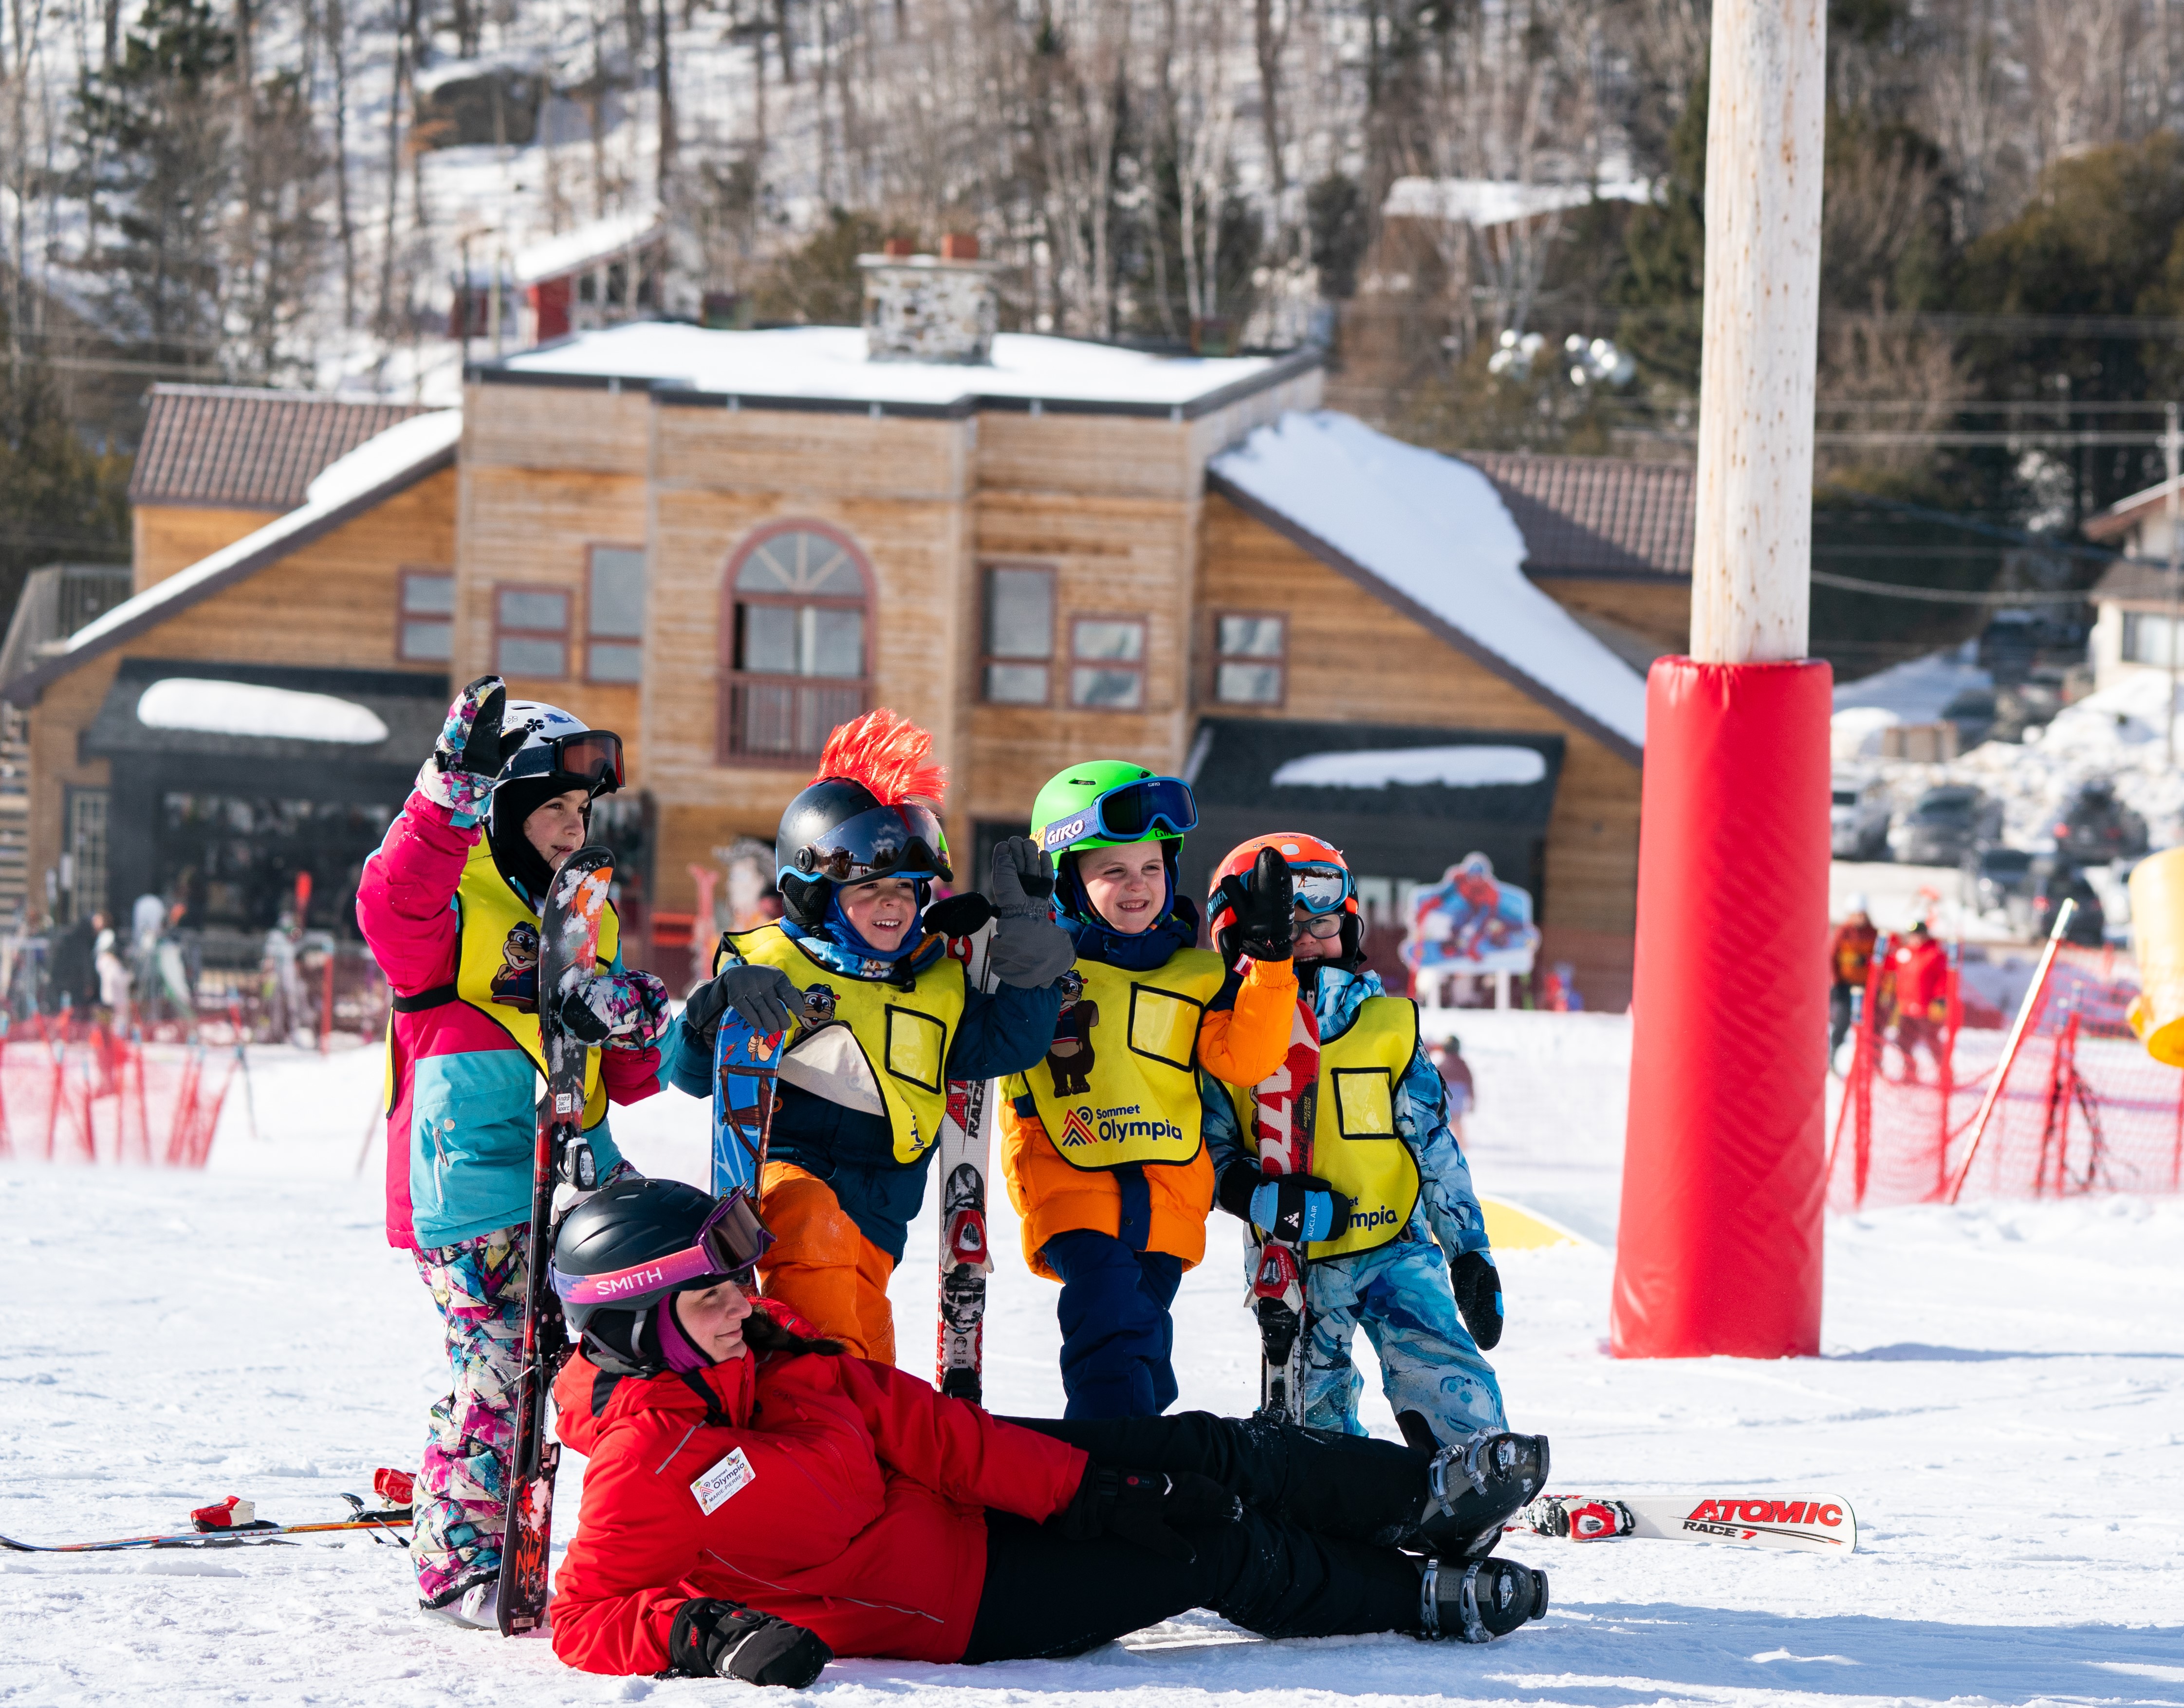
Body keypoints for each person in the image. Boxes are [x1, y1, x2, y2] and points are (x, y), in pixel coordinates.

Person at [543, 1178, 1554, 1679]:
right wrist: (705, 1633)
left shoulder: (765, 1352)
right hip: (964, 1599)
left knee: (1204, 1446)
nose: (741, 1301)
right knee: (1211, 1544)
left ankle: (1424, 1498)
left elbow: (932, 1429)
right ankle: (1420, 1594)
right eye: (711, 1293)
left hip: (966, 1494)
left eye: (737, 1279)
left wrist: (1084, 1490)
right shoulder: (646, 1466)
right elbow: (582, 1615)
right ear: (637, 1324)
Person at [355, 675, 674, 1628]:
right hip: (471, 1187)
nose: (573, 827)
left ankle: (651, 1524)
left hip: (579, 1175)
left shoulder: (585, 912)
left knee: (651, 1332)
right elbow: (388, 902)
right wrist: (444, 796)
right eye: (552, 809)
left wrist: (635, 1020)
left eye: (583, 809)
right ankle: (459, 1557)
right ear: (500, 810)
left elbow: (628, 1078)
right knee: (503, 1366)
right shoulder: (451, 899)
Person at [670, 709, 1073, 1363]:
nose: (894, 903)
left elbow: (1012, 1045)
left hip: (880, 1219)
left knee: (865, 1362)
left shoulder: (935, 984)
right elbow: (692, 1077)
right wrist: (711, 1012)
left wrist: (1027, 941)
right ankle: (825, 1407)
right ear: (814, 894)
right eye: (871, 887)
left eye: (908, 890)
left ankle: (847, 1420)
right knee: (824, 1316)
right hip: (788, 1186)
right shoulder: (771, 963)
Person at [999, 763, 1300, 1419]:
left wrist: (1270, 964)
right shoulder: (1033, 966)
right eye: (1113, 870)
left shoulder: (1198, 975)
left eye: (1152, 868)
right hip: (1069, 1180)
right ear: (1065, 881)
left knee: (1141, 1333)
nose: (1137, 885)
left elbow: (1249, 1060)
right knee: (1108, 1312)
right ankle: (1117, 1447)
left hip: (1168, 1193)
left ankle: (1135, 1442)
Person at [1203, 834, 1506, 1451]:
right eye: (1285, 926)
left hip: (1394, 1244)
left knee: (1438, 1364)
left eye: (1322, 921)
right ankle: (1332, 1483)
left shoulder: (1387, 1026)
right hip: (1294, 1261)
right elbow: (1210, 1149)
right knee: (1314, 1414)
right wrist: (1257, 1197)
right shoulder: (1224, 1044)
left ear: (1349, 926)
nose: (1306, 938)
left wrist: (1468, 1250)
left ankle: (1472, 1459)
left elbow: (1433, 1145)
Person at [1889, 920, 1949, 1081]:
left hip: (1927, 1008)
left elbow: (1944, 978)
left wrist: (1940, 998)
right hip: (1906, 1007)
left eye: (1919, 935)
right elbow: (1889, 965)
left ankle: (1945, 1075)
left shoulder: (1934, 954)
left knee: (1932, 1043)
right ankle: (1910, 1074)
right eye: (1913, 935)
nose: (1916, 939)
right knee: (1904, 1042)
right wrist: (1890, 942)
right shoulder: (1904, 953)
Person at [1828, 897, 1878, 1067]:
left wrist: (1867, 962)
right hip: (1845, 986)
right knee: (1842, 1023)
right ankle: (1833, 1057)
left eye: (1861, 914)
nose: (1859, 918)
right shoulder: (1844, 932)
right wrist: (1836, 982)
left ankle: (1871, 1063)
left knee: (1870, 1024)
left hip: (1866, 987)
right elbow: (1833, 957)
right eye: (1855, 915)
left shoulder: (1872, 933)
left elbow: (1880, 959)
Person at [1431, 1036, 1474, 1144]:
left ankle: (1445, 1142)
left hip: (1447, 1093)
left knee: (1446, 1120)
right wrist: (1472, 1099)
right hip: (1458, 1094)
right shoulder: (1462, 1065)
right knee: (1456, 1120)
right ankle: (1461, 1143)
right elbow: (1469, 1082)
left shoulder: (1444, 1064)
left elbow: (1435, 1079)